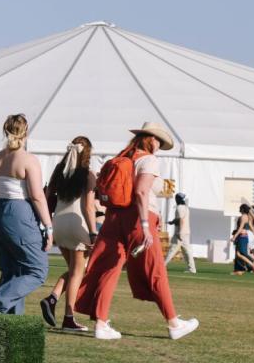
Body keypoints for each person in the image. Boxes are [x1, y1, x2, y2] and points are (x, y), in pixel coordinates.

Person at [74, 122, 199, 340]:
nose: (159, 145)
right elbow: (141, 192)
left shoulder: (123, 157)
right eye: (158, 140)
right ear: (150, 139)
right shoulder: (148, 160)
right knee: (156, 270)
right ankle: (173, 323)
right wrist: (144, 225)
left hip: (114, 217)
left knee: (107, 270)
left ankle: (101, 324)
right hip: (138, 219)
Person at [0, 114, 52, 315]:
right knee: (37, 270)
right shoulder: (28, 160)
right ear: (26, 132)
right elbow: (38, 196)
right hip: (19, 213)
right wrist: (49, 226)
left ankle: (8, 324)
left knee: (12, 271)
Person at [40, 137, 96, 331]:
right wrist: (93, 233)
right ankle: (68, 318)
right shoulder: (88, 174)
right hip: (76, 222)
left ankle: (53, 297)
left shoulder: (58, 171)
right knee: (79, 272)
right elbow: (88, 207)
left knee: (74, 271)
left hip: (59, 223)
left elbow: (47, 196)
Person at [164, 193, 196, 273]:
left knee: (172, 250)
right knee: (187, 252)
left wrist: (179, 232)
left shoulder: (179, 208)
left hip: (180, 233)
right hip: (186, 232)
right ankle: (192, 269)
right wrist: (172, 222)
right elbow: (179, 219)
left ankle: (162, 266)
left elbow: (180, 220)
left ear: (178, 199)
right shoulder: (186, 208)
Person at [230, 204, 254, 275]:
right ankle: (240, 270)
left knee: (242, 253)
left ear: (242, 209)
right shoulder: (248, 217)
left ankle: (253, 265)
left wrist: (234, 236)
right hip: (244, 236)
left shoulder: (243, 217)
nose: (239, 209)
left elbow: (241, 228)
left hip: (241, 236)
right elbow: (251, 227)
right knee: (239, 254)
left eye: (240, 208)